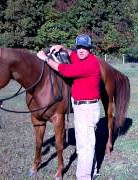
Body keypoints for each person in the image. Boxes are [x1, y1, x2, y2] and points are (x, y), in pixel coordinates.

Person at [37, 34, 101, 180]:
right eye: (79, 47)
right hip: (80, 107)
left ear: (90, 49)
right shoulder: (80, 57)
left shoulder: (90, 63)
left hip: (87, 108)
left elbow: (64, 70)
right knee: (85, 142)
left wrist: (45, 58)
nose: (81, 50)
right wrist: (63, 48)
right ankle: (94, 169)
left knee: (85, 147)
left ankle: (83, 177)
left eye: (85, 47)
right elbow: (73, 55)